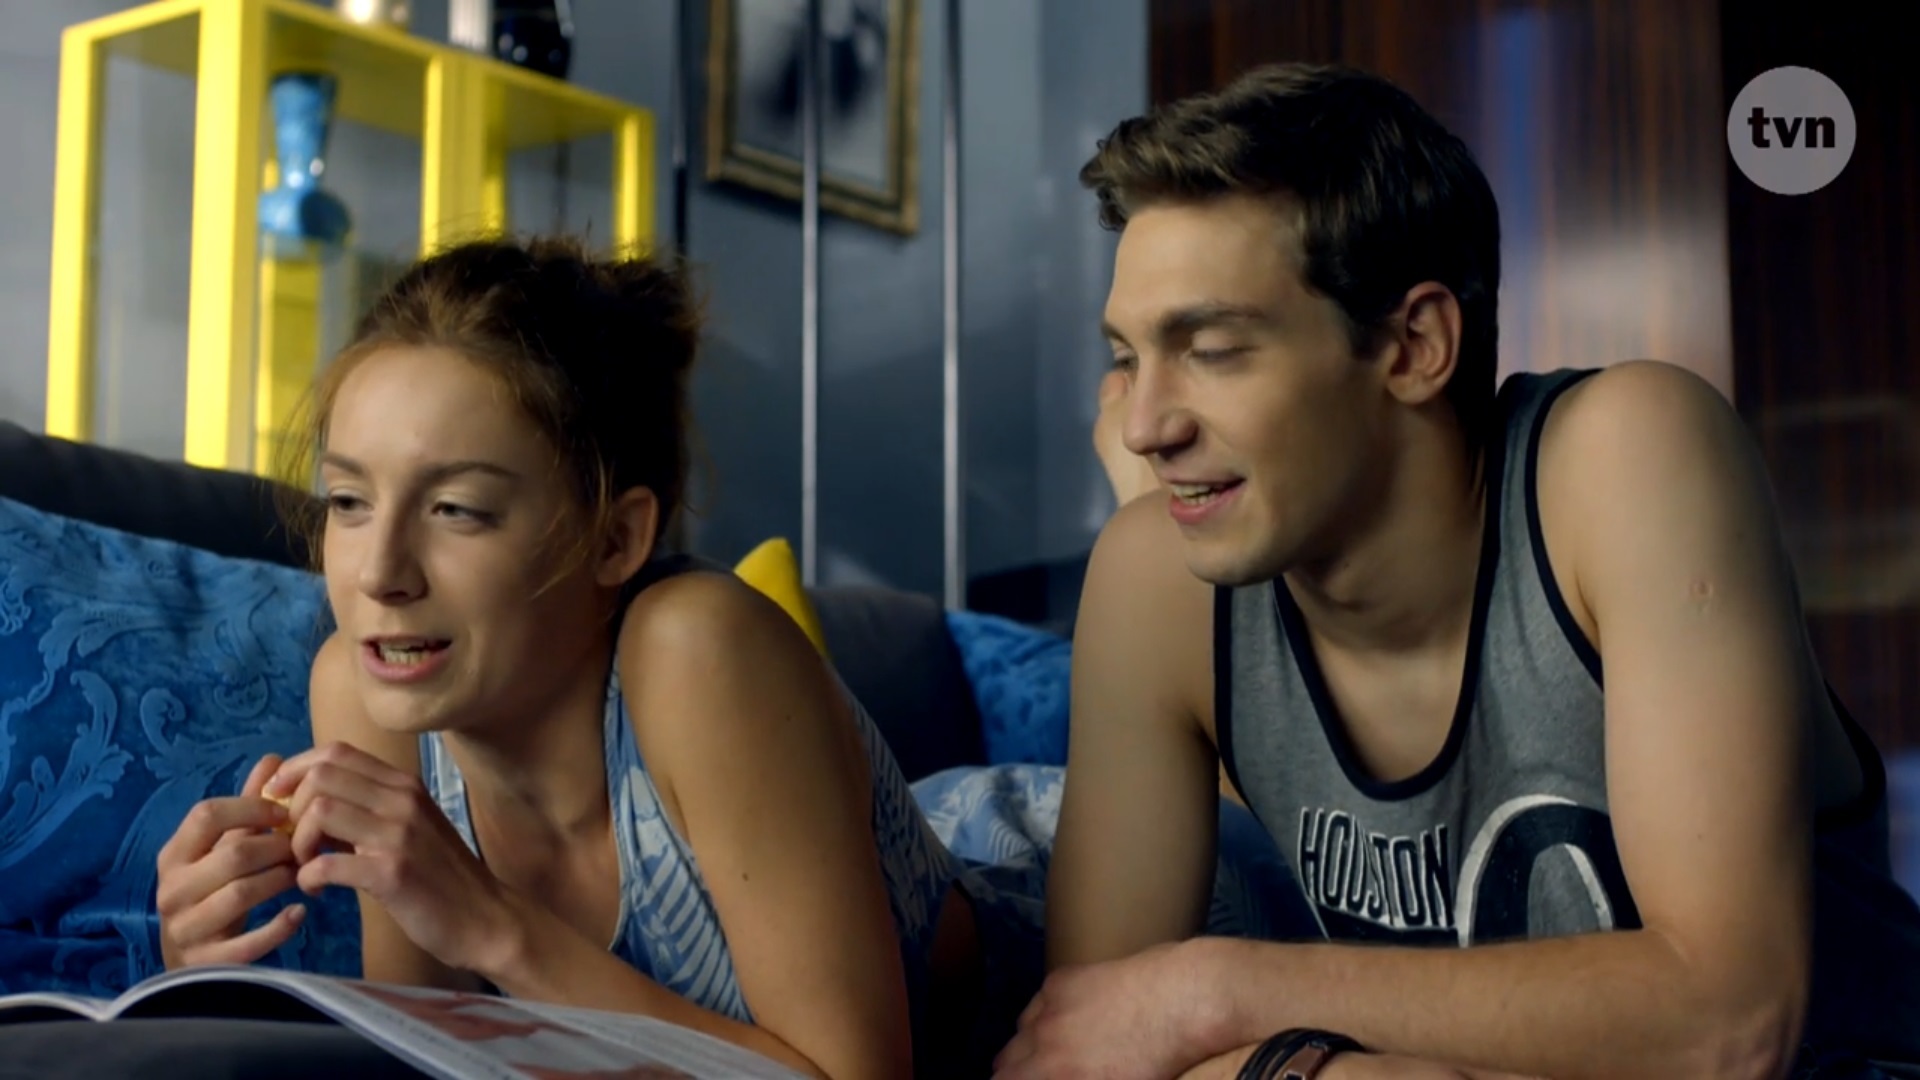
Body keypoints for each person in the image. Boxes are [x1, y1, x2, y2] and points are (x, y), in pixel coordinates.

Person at [993, 63, 1920, 1080]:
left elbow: (1729, 1022)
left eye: (1210, 349)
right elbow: (1089, 1046)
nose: (1142, 427)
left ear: (1414, 345)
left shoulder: (1626, 456)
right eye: (1128, 356)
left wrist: (1223, 993)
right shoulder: (1157, 579)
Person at [148, 235, 1011, 1080]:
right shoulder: (362, 687)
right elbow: (432, 1054)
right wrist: (196, 982)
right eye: (348, 501)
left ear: (616, 539)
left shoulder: (698, 649)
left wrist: (494, 927)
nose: (378, 574)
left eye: (457, 509)